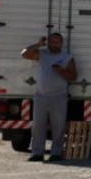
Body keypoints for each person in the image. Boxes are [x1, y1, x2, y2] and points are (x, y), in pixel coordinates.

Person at [21, 33, 77, 162]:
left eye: (57, 42)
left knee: (58, 126)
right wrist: (39, 44)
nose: (54, 44)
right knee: (38, 126)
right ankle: (37, 153)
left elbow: (73, 76)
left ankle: (56, 153)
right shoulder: (42, 54)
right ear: (48, 43)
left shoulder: (67, 57)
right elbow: (24, 54)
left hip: (59, 97)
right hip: (41, 96)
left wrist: (61, 71)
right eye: (51, 41)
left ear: (61, 43)